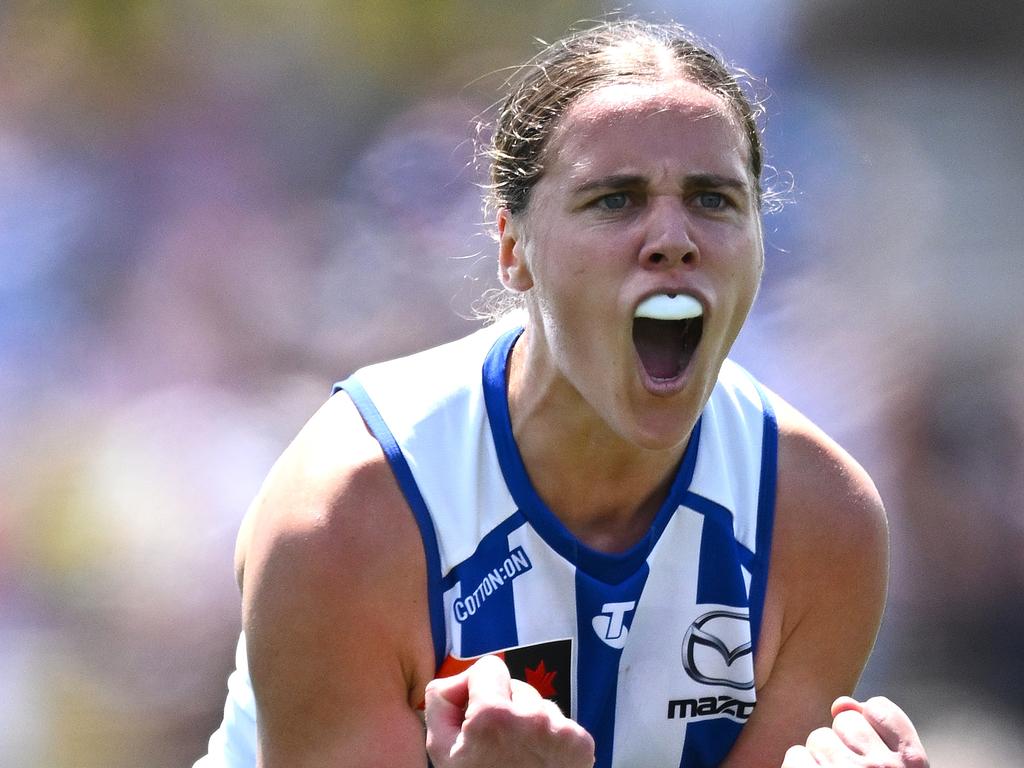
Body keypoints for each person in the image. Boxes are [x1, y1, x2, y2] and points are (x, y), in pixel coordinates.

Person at [195, 18, 929, 768]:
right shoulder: (352, 513)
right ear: (514, 249)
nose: (673, 238)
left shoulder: (820, 521)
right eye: (616, 200)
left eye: (714, 199)